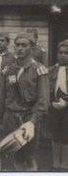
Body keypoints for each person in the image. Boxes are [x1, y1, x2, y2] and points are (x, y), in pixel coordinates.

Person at [0, 33, 49, 171]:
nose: (19, 48)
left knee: (29, 157)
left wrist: (32, 121)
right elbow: (1, 96)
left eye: (24, 45)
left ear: (32, 48)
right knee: (17, 156)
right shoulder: (8, 70)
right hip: (10, 118)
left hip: (29, 119)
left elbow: (43, 101)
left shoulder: (39, 70)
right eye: (17, 45)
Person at [48, 40, 68, 171]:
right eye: (60, 52)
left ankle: (65, 164)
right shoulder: (50, 71)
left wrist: (66, 103)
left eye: (66, 53)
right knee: (55, 135)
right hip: (54, 109)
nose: (63, 55)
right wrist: (51, 103)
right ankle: (55, 164)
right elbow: (45, 90)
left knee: (66, 137)